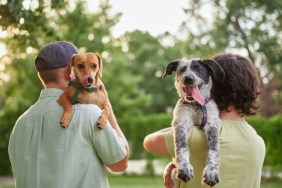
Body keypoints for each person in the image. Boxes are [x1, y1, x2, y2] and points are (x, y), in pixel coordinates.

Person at [8, 41, 129, 188]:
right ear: (70, 72)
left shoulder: (20, 124)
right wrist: (106, 105)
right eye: (81, 66)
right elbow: (120, 163)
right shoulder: (90, 114)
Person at [143, 53, 265, 188]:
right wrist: (175, 163)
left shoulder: (193, 137)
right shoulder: (258, 142)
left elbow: (148, 142)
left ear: (213, 84)